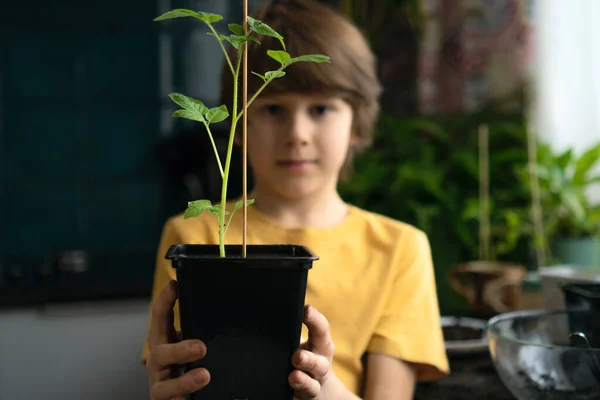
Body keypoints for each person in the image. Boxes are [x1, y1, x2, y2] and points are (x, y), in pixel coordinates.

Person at [142, 0, 449, 399]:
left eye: (320, 108)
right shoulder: (191, 234)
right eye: (271, 108)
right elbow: (172, 375)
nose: (297, 134)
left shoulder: (398, 250)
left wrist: (321, 386)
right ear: (237, 123)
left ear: (358, 122)